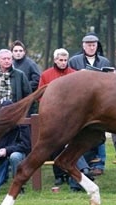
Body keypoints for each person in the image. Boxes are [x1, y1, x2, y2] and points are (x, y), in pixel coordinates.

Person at [68, 32, 111, 176]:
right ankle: (83, 165)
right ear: (83, 46)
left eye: (93, 45)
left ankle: (100, 163)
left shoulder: (104, 61)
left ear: (97, 46)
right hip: (80, 101)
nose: (91, 48)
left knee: (101, 132)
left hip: (100, 101)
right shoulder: (74, 61)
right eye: (88, 45)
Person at [38, 48, 77, 186]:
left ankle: (71, 174)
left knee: (72, 145)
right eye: (60, 60)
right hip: (54, 117)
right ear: (55, 60)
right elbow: (41, 96)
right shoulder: (46, 75)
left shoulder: (74, 75)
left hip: (72, 116)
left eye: (65, 60)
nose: (63, 62)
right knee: (56, 145)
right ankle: (59, 175)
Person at [0, 100, 31, 196]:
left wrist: (7, 150)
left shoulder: (22, 123)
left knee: (14, 157)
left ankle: (19, 186)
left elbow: (26, 145)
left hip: (17, 152)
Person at [0, 49, 32, 118]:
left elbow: (28, 95)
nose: (7, 61)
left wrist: (23, 112)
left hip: (15, 117)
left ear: (12, 60)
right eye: (4, 59)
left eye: (9, 58)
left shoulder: (20, 75)